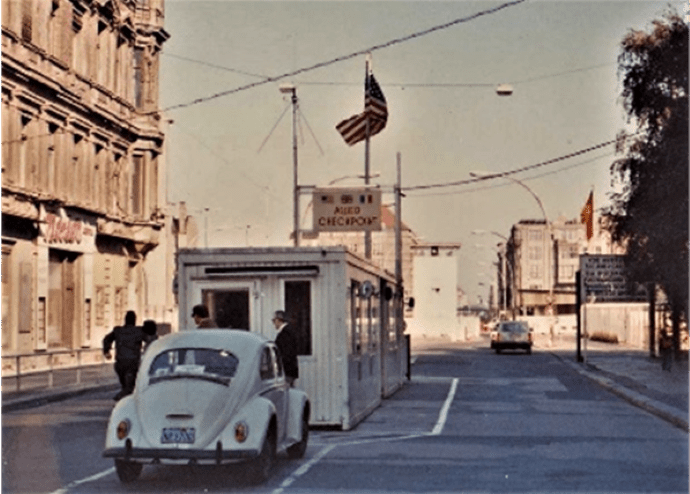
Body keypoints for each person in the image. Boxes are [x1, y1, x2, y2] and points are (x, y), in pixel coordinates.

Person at [103, 311, 147, 400]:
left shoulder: (118, 331)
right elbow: (150, 340)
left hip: (120, 363)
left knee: (125, 385)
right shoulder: (138, 331)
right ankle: (120, 398)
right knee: (130, 387)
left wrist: (106, 351)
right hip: (133, 363)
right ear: (134, 320)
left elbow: (106, 339)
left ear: (125, 320)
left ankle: (124, 399)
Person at [272, 310, 299, 387]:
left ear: (279, 320)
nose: (274, 323)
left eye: (274, 320)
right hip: (289, 371)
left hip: (286, 371)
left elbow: (286, 354)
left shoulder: (285, 333)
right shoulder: (288, 331)